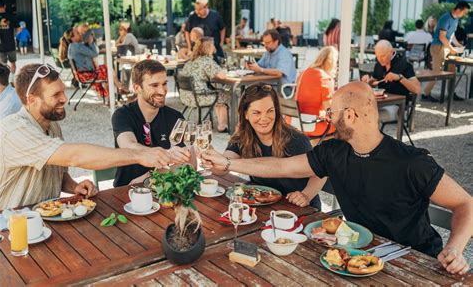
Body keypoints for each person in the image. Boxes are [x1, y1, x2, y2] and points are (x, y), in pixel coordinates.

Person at [203, 81, 473, 276]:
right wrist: (228, 162)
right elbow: (282, 166)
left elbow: (466, 204)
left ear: (351, 115)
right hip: (356, 254)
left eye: (331, 112)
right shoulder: (333, 151)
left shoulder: (412, 162)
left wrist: (455, 248)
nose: (327, 117)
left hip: (415, 260)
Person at [0, 64, 173, 210]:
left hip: (43, 217)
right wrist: (141, 155)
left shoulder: (52, 125)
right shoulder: (13, 130)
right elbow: (74, 156)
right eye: (56, 95)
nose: (65, 99)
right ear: (31, 100)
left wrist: (73, 186)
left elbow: (57, 172)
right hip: (9, 227)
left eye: (63, 92)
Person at [212, 82, 322, 209]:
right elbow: (223, 166)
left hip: (300, 208)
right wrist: (211, 159)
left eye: (270, 111)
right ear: (245, 114)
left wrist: (306, 195)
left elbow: (321, 172)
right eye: (256, 113)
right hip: (264, 207)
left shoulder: (296, 139)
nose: (264, 118)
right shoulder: (242, 137)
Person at [112, 60, 193, 187]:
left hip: (166, 190)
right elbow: (128, 145)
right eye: (154, 85)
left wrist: (153, 175)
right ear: (136, 88)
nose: (162, 91)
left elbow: (191, 164)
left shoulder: (175, 117)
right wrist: (167, 156)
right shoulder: (123, 114)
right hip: (128, 189)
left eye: (164, 83)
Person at [423, 1, 471, 102]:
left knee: (452, 71)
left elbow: (452, 35)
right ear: (459, 10)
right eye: (464, 12)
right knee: (437, 72)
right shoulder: (445, 18)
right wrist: (452, 49)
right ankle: (425, 94)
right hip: (438, 47)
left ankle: (451, 94)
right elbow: (442, 37)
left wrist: (457, 44)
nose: (465, 14)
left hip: (446, 47)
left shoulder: (456, 20)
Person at [180, 37, 231, 132]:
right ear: (208, 47)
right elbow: (222, 76)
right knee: (224, 94)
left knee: (218, 94)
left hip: (186, 96)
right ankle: (222, 126)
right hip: (199, 97)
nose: (214, 47)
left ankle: (221, 122)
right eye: (212, 45)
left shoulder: (191, 60)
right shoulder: (207, 61)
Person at [68, 27, 128, 98]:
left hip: (81, 74)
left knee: (106, 70)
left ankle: (114, 93)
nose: (80, 34)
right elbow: (95, 53)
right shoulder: (77, 46)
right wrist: (91, 42)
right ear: (72, 38)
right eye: (77, 33)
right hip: (87, 74)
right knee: (108, 70)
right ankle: (117, 91)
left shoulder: (72, 46)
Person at [292, 46, 337, 137]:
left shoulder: (303, 73)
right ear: (331, 62)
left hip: (294, 121)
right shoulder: (325, 78)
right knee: (340, 126)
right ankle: (324, 151)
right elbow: (328, 110)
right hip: (311, 124)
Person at [0, 0, 19, 82]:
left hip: (0, 46)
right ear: (5, 6)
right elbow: (18, 29)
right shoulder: (11, 16)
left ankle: (4, 80)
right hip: (10, 44)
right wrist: (13, 35)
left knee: (2, 65)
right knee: (13, 62)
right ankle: (12, 79)